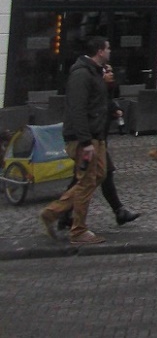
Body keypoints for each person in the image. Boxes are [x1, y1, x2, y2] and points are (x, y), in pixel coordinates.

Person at [38, 36, 111, 245]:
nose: (110, 51)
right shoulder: (82, 74)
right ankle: (78, 230)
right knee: (87, 181)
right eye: (108, 48)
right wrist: (85, 141)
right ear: (99, 51)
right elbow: (77, 109)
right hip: (84, 139)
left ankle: (53, 212)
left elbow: (98, 102)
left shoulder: (95, 72)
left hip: (96, 135)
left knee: (99, 175)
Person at [58, 63, 139, 232]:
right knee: (99, 175)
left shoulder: (106, 91)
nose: (111, 74)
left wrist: (114, 109)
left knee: (86, 177)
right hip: (89, 141)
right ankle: (60, 214)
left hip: (97, 140)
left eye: (112, 71)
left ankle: (63, 215)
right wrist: (86, 141)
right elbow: (90, 110)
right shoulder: (91, 88)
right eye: (107, 71)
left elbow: (105, 106)